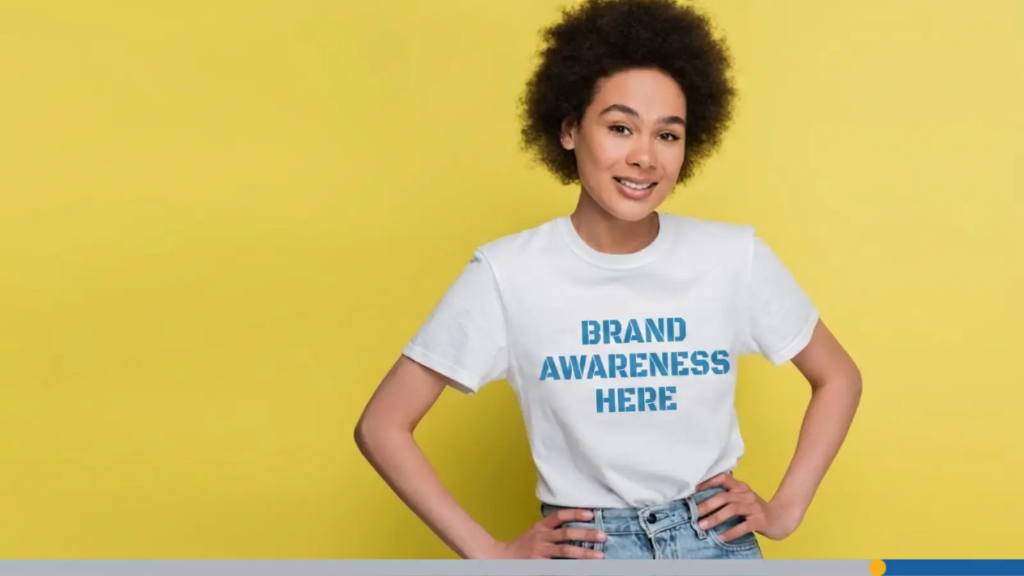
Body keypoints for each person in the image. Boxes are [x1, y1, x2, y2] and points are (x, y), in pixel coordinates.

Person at [354, 0, 862, 561]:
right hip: (591, 550)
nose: (644, 157)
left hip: (713, 543)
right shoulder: (508, 273)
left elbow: (838, 377)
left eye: (668, 135)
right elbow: (382, 425)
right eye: (620, 128)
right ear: (570, 129)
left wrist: (785, 510)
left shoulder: (732, 258)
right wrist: (490, 553)